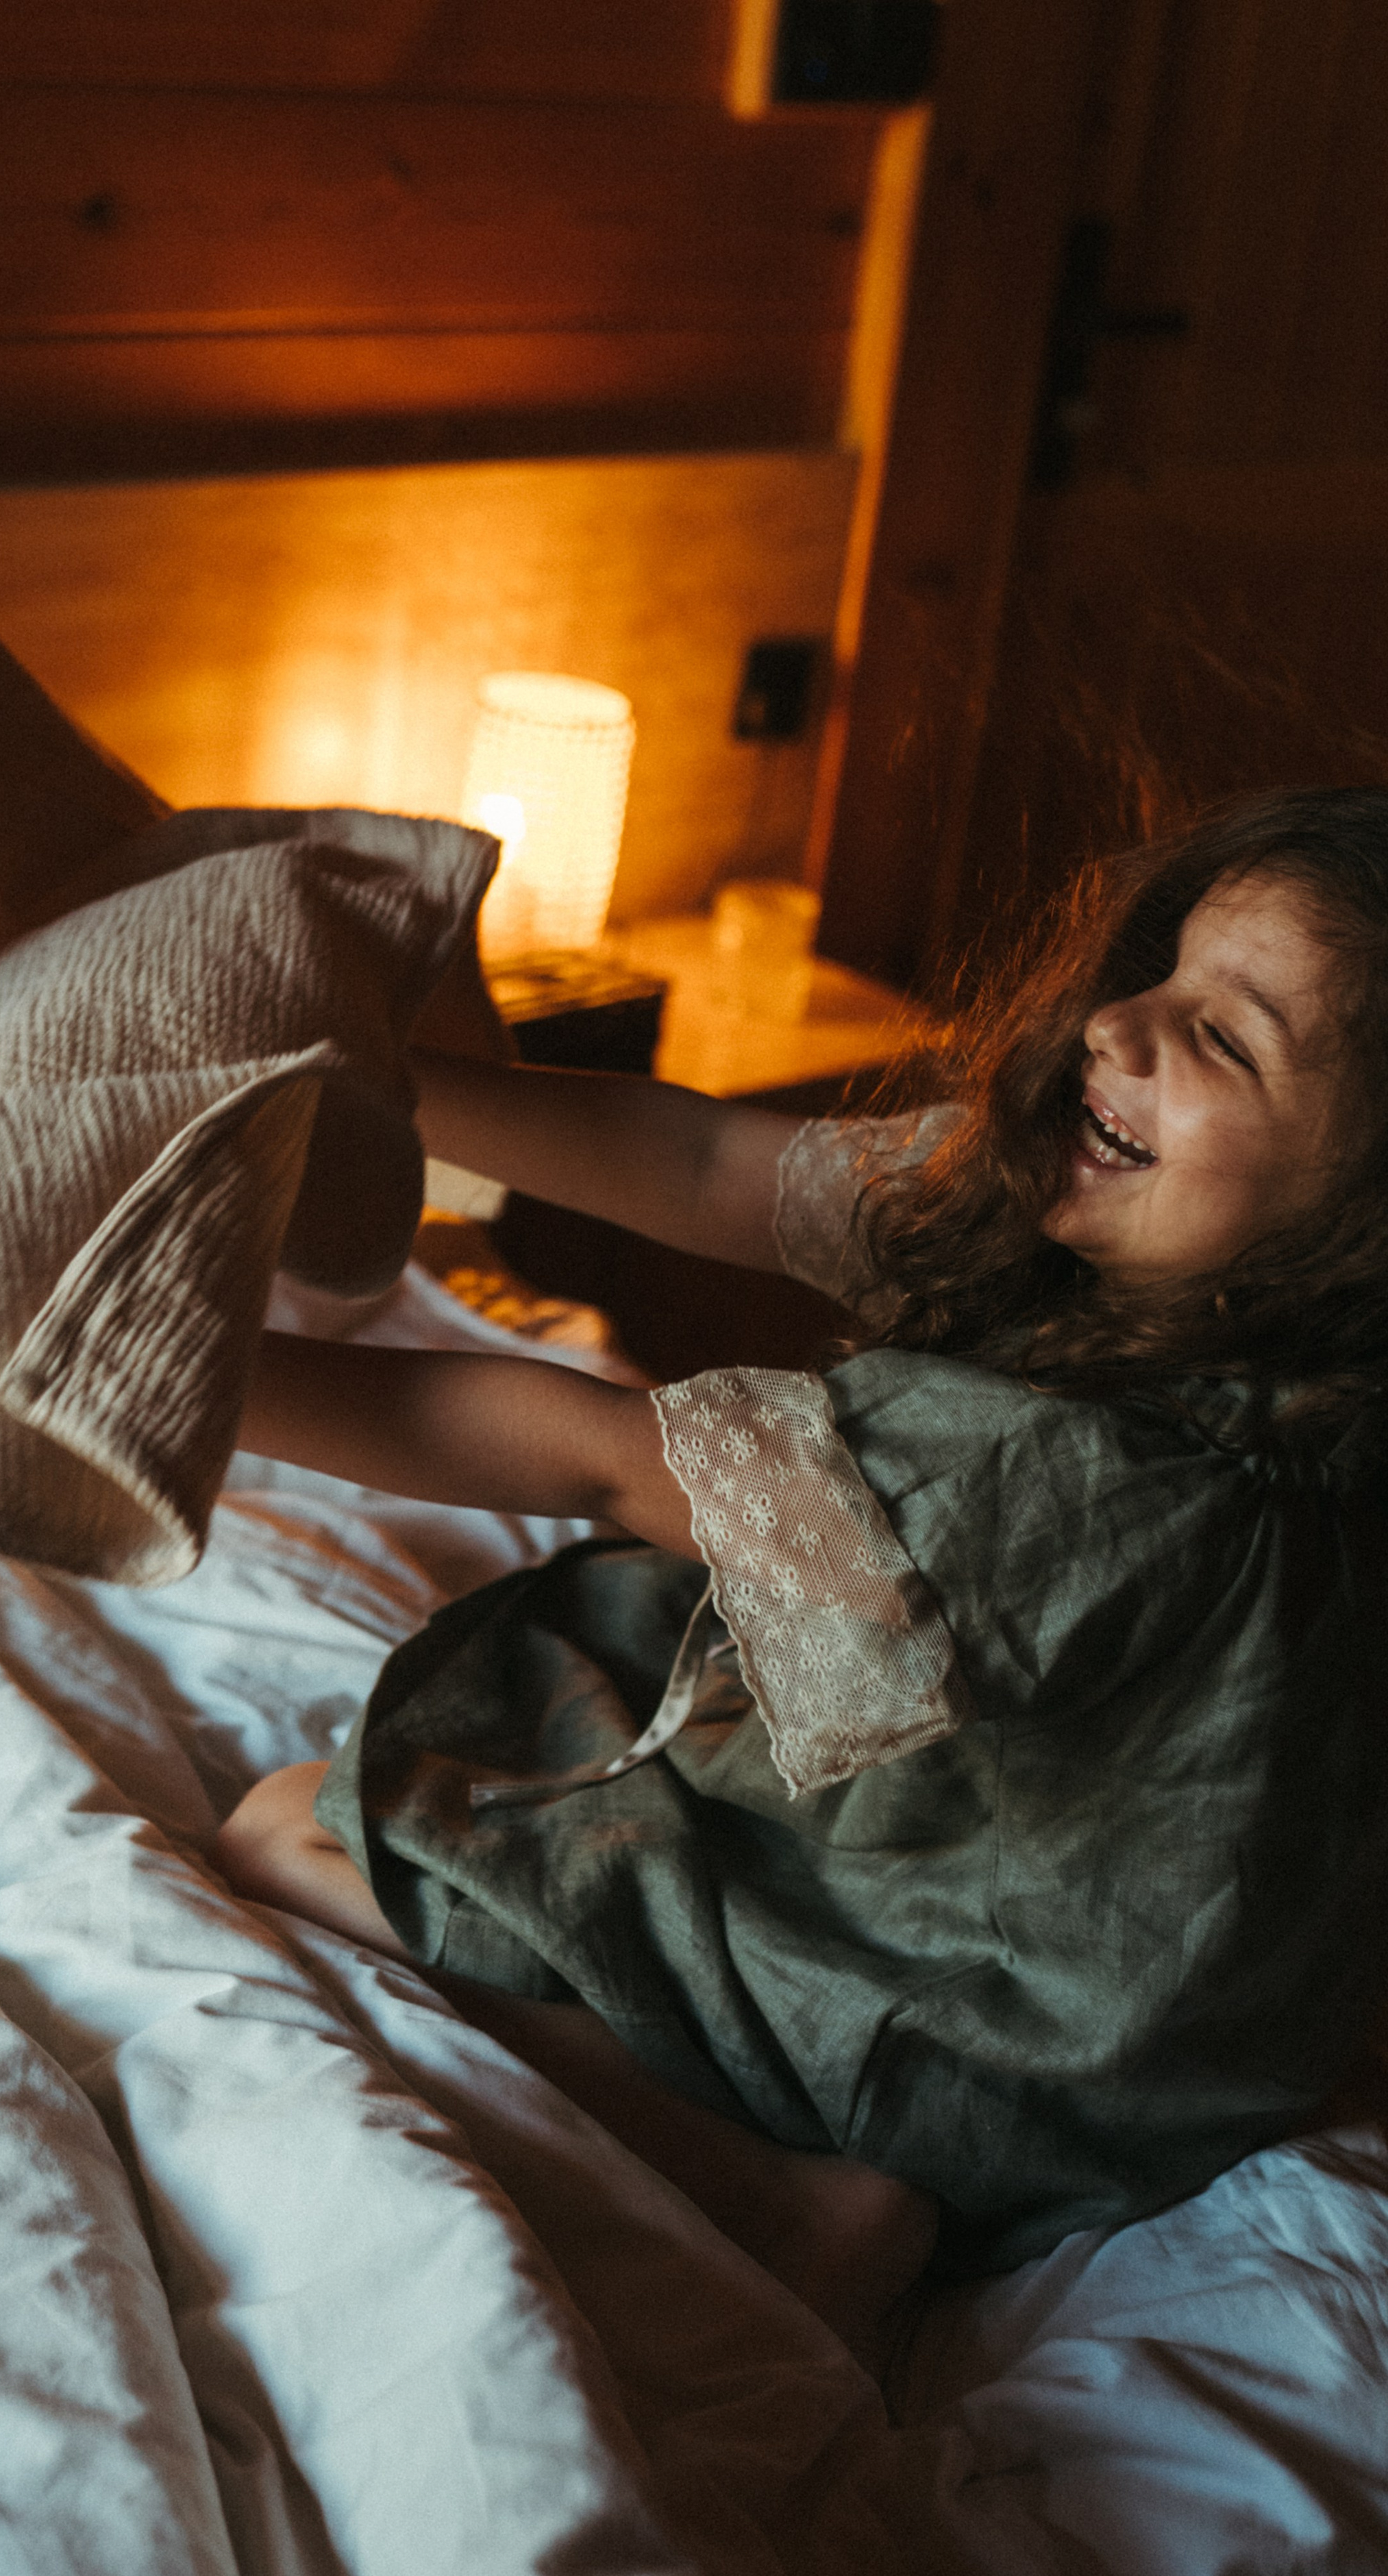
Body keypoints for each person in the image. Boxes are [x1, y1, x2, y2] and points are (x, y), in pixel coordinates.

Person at [215, 789, 1388, 2364]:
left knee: (288, 1829)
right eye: (1156, 970)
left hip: (1001, 2026)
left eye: (1221, 1041)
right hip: (1121, 1932)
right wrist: (371, 1084)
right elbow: (709, 1160)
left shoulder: (1109, 1487)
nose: (1114, 1024)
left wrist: (180, 1372)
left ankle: (779, 2196)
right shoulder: (1142, 1257)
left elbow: (593, 1455)